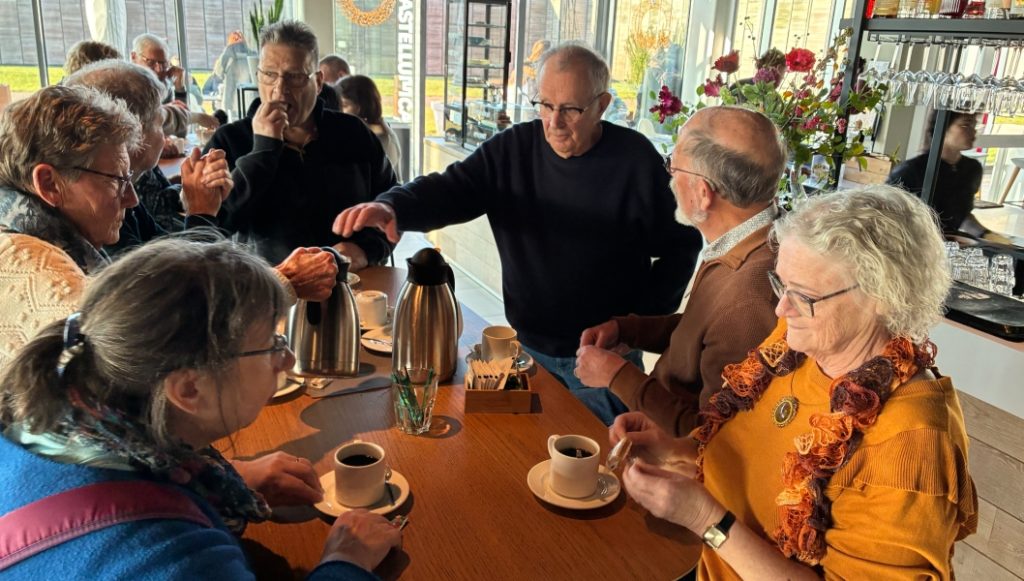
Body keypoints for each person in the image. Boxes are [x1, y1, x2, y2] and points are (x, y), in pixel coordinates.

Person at [611, 184, 977, 579]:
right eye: (780, 284)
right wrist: (675, 451)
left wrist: (705, 519)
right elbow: (747, 457)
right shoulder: (798, 343)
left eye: (803, 295)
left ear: (883, 296)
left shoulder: (911, 443)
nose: (782, 308)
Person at [335, 42, 702, 424]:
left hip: (605, 358)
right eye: (545, 105)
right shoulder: (513, 149)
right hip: (526, 349)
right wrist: (393, 206)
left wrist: (638, 325)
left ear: (602, 105)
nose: (554, 122)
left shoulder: (635, 161)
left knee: (601, 455)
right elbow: (451, 188)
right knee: (523, 448)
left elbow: (682, 245)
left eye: (570, 109)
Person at [0, 236, 402, 579]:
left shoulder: (44, 422)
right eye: (272, 345)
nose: (289, 360)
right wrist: (346, 560)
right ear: (190, 389)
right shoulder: (174, 556)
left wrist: (230, 476)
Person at [575, 106, 785, 435]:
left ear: (703, 193)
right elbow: (703, 335)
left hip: (667, 444)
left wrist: (618, 376)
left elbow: (708, 437)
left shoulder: (749, 298)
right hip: (655, 411)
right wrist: (628, 330)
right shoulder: (747, 242)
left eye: (673, 168)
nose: (670, 180)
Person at [205, 20, 397, 267]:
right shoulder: (230, 140)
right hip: (269, 283)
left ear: (318, 82)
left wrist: (365, 250)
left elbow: (391, 204)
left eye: (294, 77)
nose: (279, 90)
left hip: (350, 280)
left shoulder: (352, 133)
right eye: (269, 75)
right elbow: (213, 226)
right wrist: (263, 150)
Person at [887, 110, 989, 237]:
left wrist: (986, 235)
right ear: (943, 127)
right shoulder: (911, 170)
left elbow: (960, 216)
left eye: (974, 125)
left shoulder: (972, 169)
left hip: (950, 244)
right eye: (965, 125)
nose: (973, 131)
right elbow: (885, 216)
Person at [131, 33, 219, 138]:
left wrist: (179, 88)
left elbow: (180, 133)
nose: (158, 70)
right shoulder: (127, 86)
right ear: (134, 57)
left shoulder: (163, 87)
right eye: (151, 62)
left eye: (163, 63)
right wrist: (195, 117)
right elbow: (151, 124)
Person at [338, 75, 403, 182]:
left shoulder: (382, 140)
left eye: (345, 105)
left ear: (362, 106)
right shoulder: (357, 134)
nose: (339, 111)